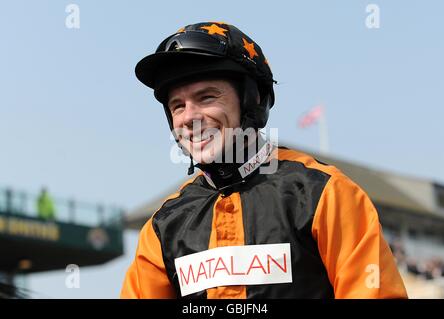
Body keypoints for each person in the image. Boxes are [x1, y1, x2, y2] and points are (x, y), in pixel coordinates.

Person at [121, 22, 407, 299]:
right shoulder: (162, 227)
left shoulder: (325, 194)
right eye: (177, 106)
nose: (189, 117)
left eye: (206, 97)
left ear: (252, 99)